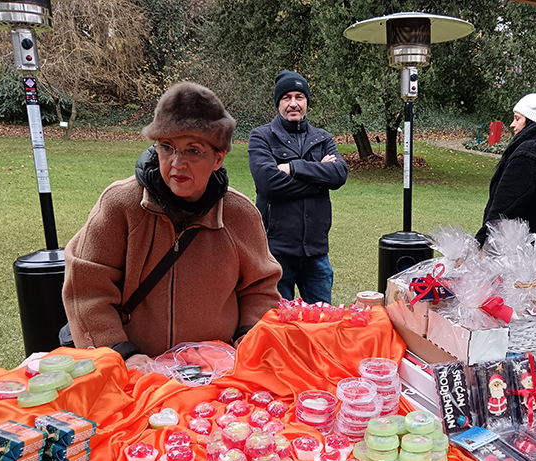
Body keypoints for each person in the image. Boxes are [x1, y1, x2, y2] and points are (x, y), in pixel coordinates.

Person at [63, 82, 282, 372]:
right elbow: (87, 288)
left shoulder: (240, 214)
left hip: (216, 373)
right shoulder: (120, 205)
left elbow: (260, 289)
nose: (177, 163)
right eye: (167, 147)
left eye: (193, 150)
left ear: (218, 157)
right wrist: (120, 353)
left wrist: (248, 339)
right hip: (135, 372)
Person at [248, 70, 349, 304]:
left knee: (322, 320)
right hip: (277, 253)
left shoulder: (322, 138)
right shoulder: (261, 137)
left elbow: (339, 174)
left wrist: (293, 167)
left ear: (307, 102)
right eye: (286, 97)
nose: (293, 103)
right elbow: (269, 182)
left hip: (316, 254)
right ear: (278, 103)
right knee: (281, 322)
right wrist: (319, 180)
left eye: (299, 97)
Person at [476, 93, 536, 245]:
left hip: (511, 248)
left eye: (517, 119)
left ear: (531, 121)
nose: (512, 124)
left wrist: (485, 242)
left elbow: (505, 207)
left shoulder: (528, 153)